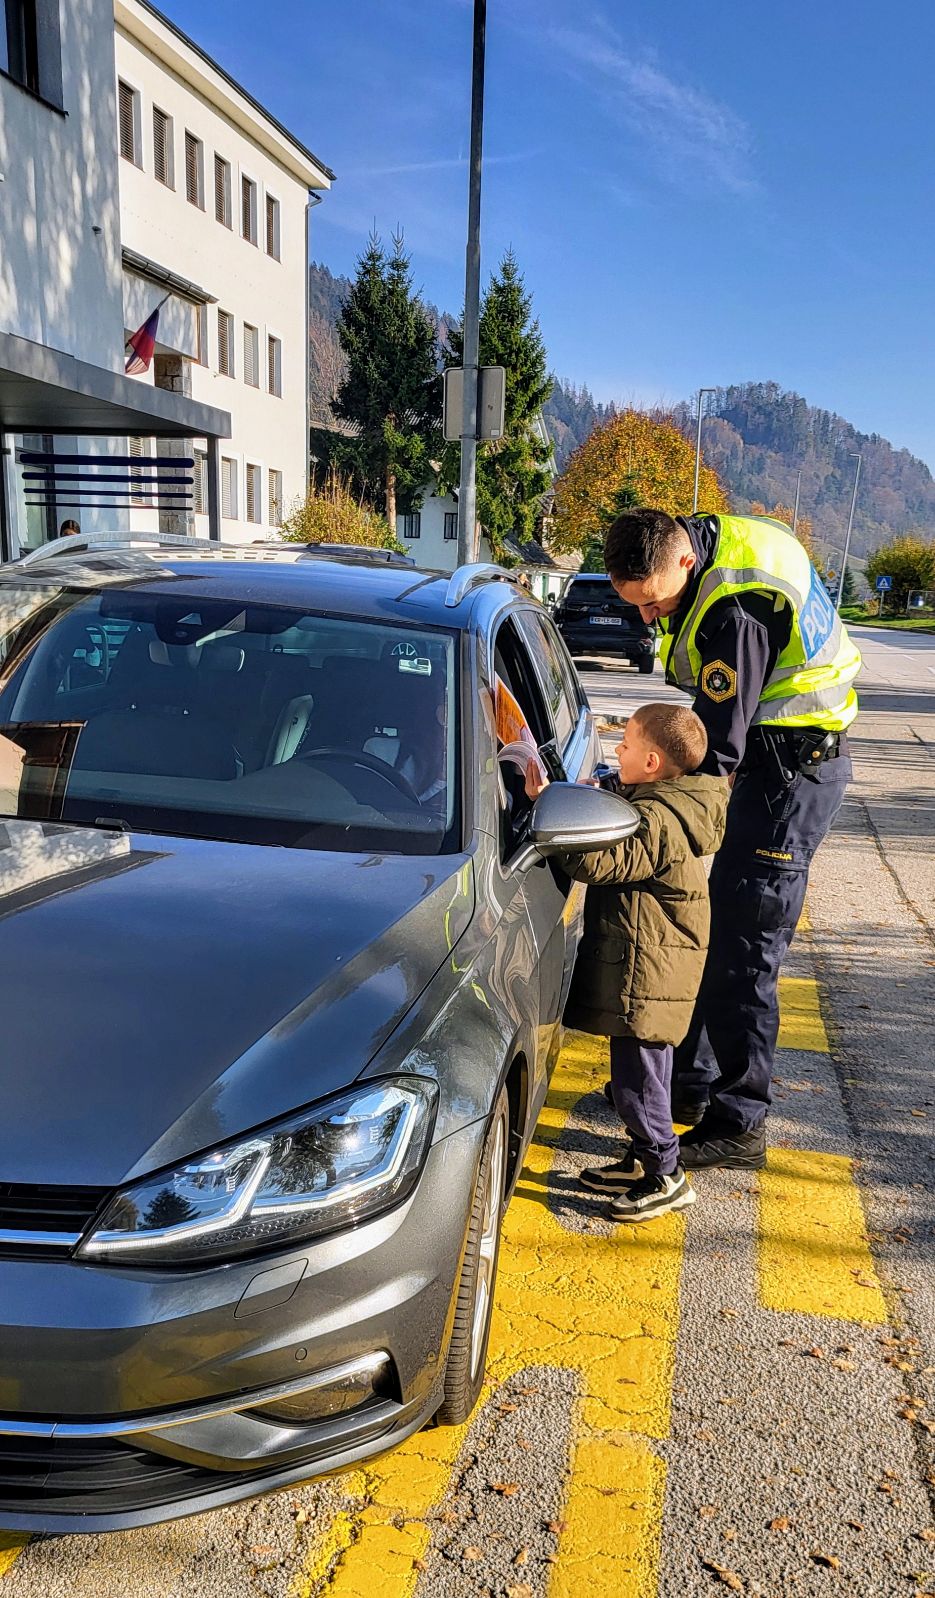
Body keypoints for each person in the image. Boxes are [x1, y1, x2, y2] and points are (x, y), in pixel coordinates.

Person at [603, 509, 861, 1171]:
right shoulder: (709, 548)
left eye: (653, 602)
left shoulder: (734, 609)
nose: (646, 619)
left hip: (789, 773)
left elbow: (717, 750)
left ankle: (738, 1118)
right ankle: (684, 1087)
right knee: (709, 932)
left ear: (682, 560)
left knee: (744, 948)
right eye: (634, 606)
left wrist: (644, 799)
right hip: (775, 758)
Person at [527, 703, 728, 1222]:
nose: (617, 750)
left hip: (650, 971)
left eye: (628, 745)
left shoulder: (659, 819)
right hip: (649, 964)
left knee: (640, 1084)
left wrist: (547, 807)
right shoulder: (666, 801)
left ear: (654, 762)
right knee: (640, 1076)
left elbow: (603, 860)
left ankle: (667, 1175)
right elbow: (627, 814)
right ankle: (642, 1161)